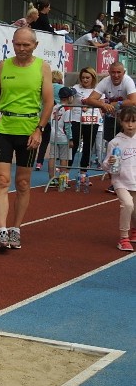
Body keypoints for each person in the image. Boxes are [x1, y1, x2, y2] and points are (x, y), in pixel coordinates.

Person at [0, 27, 54, 251]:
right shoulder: (3, 66)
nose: (22, 49)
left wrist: (39, 129)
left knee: (22, 183)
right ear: (12, 43)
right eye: (17, 44)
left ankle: (16, 229)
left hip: (29, 129)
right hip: (5, 128)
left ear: (35, 45)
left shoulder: (42, 67)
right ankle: (2, 231)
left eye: (26, 45)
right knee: (2, 180)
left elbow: (49, 102)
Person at [85, 61, 136, 179]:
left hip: (127, 120)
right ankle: (114, 179)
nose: (116, 75)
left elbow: (133, 100)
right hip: (112, 119)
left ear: (124, 73)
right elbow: (90, 100)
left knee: (128, 147)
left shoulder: (127, 81)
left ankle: (128, 176)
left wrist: (115, 104)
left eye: (119, 72)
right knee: (112, 148)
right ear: (109, 73)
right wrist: (103, 105)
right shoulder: (105, 82)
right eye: (113, 72)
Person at [101, 105, 136, 251]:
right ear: (120, 122)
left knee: (134, 209)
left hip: (134, 180)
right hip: (120, 180)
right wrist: (108, 163)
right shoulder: (115, 143)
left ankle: (134, 231)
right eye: (127, 121)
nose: (130, 125)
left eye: (133, 121)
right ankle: (123, 238)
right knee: (128, 205)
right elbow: (105, 164)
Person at [69, 67, 101, 187]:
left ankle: (83, 174)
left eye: (88, 77)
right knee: (73, 144)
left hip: (92, 121)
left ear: (93, 78)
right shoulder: (76, 88)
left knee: (88, 146)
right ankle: (65, 173)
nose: (85, 80)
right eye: (83, 77)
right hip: (76, 119)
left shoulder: (97, 90)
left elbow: (102, 104)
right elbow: (69, 98)